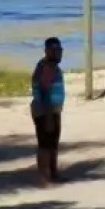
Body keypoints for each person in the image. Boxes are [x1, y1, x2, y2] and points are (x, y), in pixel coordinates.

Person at [30, 37, 65, 185]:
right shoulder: (46, 69)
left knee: (53, 143)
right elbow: (43, 94)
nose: (58, 53)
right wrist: (49, 116)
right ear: (47, 51)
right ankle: (43, 176)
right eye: (55, 50)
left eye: (60, 50)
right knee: (45, 144)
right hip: (45, 111)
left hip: (54, 110)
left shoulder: (53, 67)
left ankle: (53, 172)